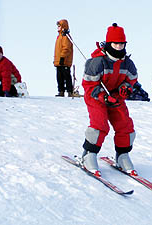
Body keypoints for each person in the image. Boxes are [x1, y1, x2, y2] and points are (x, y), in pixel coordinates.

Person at [81, 23, 138, 176]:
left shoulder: (127, 63)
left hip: (115, 97)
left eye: (122, 44)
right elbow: (88, 84)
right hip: (96, 97)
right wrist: (102, 95)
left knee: (125, 125)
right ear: (109, 43)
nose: (119, 47)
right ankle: (88, 154)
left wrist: (125, 88)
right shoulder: (98, 61)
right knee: (100, 125)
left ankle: (122, 155)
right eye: (116, 43)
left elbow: (131, 79)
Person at [54, 19, 73, 97]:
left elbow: (66, 48)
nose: (58, 28)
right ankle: (61, 91)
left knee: (66, 76)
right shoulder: (59, 36)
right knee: (59, 77)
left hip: (64, 61)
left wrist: (62, 57)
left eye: (59, 26)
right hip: (59, 61)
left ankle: (69, 91)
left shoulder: (65, 36)